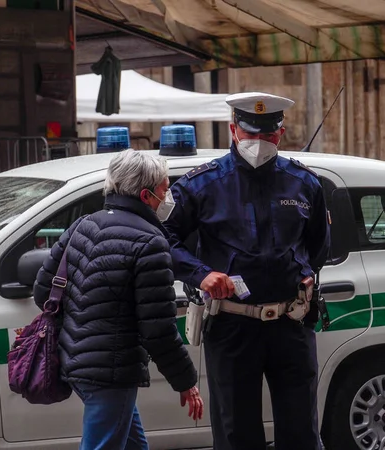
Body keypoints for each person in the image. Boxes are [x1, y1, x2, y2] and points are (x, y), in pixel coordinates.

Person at [163, 92, 330, 450]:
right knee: (238, 433)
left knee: (301, 433)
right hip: (231, 325)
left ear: (280, 133)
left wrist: (303, 271)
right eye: (251, 134)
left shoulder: (304, 183)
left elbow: (319, 244)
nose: (259, 143)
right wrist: (199, 274)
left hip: (291, 322)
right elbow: (163, 237)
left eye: (267, 135)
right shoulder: (200, 185)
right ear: (233, 130)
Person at [33, 149, 204, 450]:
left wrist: (83, 324)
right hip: (111, 371)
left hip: (75, 362)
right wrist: (186, 381)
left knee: (134, 445)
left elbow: (42, 292)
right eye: (165, 189)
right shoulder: (151, 243)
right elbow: (158, 331)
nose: (169, 197)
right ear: (145, 194)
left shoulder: (83, 225)